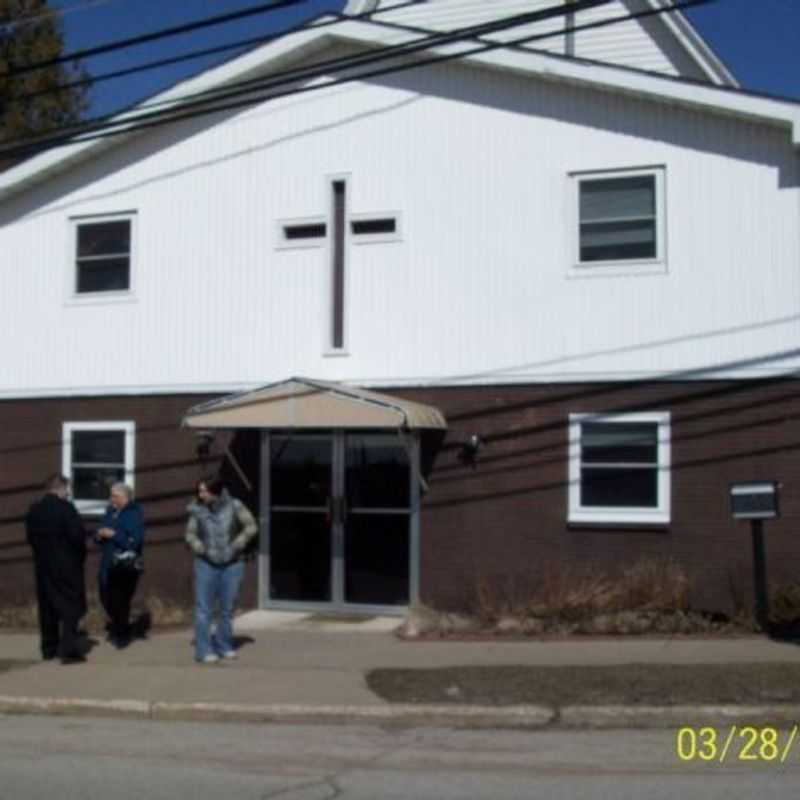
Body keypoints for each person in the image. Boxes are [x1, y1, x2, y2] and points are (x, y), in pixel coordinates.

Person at [185, 477, 257, 664]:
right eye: (199, 491)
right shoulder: (197, 509)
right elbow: (190, 534)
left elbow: (251, 526)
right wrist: (201, 548)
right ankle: (204, 650)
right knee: (203, 609)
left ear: (215, 491)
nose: (200, 495)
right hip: (205, 564)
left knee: (227, 608)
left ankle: (224, 645)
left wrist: (237, 544)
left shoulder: (235, 505)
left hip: (233, 564)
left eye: (204, 491)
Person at [25, 474, 88, 664]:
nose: (68, 493)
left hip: (43, 565)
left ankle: (48, 648)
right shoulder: (66, 510)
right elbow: (77, 538)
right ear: (60, 488)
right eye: (67, 488)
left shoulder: (34, 510)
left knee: (47, 608)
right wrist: (78, 559)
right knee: (70, 606)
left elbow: (31, 538)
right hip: (66, 566)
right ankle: (68, 650)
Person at [96, 482, 145, 649]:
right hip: (107, 563)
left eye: (115, 496)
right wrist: (100, 535)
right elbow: (101, 530)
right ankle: (118, 627)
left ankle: (121, 635)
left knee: (120, 600)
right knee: (104, 595)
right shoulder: (110, 512)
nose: (111, 499)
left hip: (124, 565)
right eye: (111, 495)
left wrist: (114, 535)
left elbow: (135, 542)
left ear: (125, 497)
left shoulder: (134, 513)